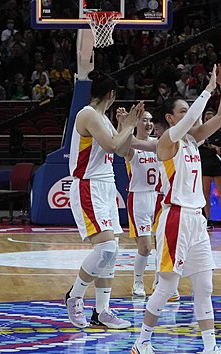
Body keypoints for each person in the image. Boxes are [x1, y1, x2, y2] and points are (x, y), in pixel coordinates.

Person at [132, 62, 221, 354]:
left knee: (205, 284)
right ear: (169, 117)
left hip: (196, 219)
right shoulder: (167, 141)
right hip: (174, 216)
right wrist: (207, 89)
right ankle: (142, 342)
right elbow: (189, 121)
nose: (188, 116)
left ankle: (210, 347)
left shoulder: (191, 139)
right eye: (181, 111)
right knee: (166, 285)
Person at [63, 70, 141, 329]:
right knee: (106, 249)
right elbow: (110, 146)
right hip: (89, 185)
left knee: (111, 253)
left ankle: (102, 311)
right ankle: (74, 296)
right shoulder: (87, 114)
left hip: (106, 186)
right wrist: (127, 125)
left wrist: (124, 127)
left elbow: (123, 150)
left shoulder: (104, 120)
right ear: (112, 95)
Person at [124, 110, 163, 297]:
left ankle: (159, 282)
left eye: (150, 120)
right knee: (146, 247)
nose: (148, 124)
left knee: (162, 244)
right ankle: (137, 283)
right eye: (144, 120)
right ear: (136, 123)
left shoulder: (158, 144)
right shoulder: (131, 146)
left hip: (160, 198)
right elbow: (120, 143)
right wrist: (124, 123)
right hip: (139, 198)